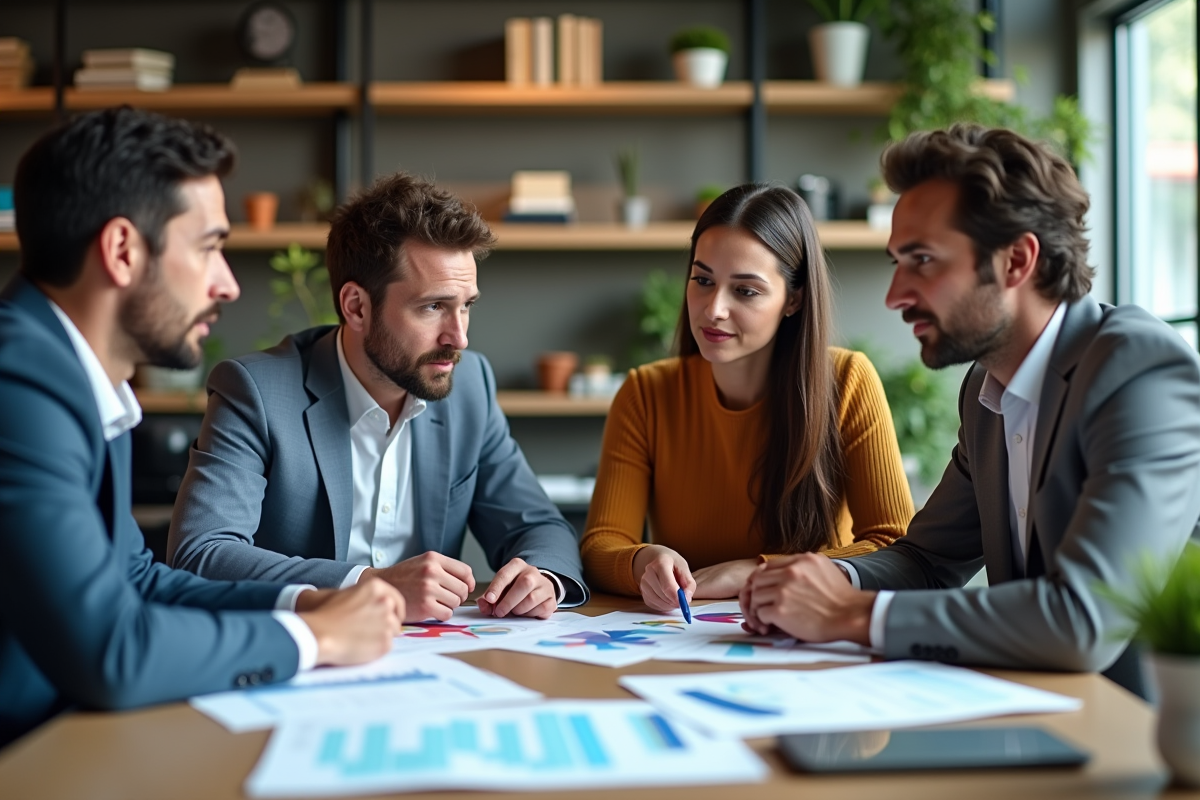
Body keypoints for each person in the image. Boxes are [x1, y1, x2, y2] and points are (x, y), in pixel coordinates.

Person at [0, 108, 406, 748]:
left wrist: (301, 603)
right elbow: (112, 650)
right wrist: (317, 639)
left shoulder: (71, 377)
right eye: (209, 247)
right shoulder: (19, 385)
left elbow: (137, 580)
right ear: (123, 251)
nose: (228, 285)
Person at [739, 124, 1200, 685]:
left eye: (924, 260)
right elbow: (928, 561)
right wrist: (827, 578)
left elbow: (1085, 620)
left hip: (1145, 736)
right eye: (897, 263)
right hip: (1038, 711)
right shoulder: (986, 391)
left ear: (1015, 261)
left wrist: (848, 614)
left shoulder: (1139, 373)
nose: (895, 295)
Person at [167, 173, 589, 622]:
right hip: (301, 656)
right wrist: (369, 584)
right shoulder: (255, 391)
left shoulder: (470, 387)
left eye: (466, 305)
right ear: (356, 307)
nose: (459, 337)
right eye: (433, 307)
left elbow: (538, 525)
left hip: (437, 665)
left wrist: (543, 577)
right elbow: (201, 553)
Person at [580, 184, 914, 612]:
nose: (713, 308)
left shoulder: (848, 381)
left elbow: (894, 547)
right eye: (702, 280)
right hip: (684, 640)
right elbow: (601, 544)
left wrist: (758, 570)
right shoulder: (647, 392)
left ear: (793, 299)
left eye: (745, 290)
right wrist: (644, 560)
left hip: (812, 637)